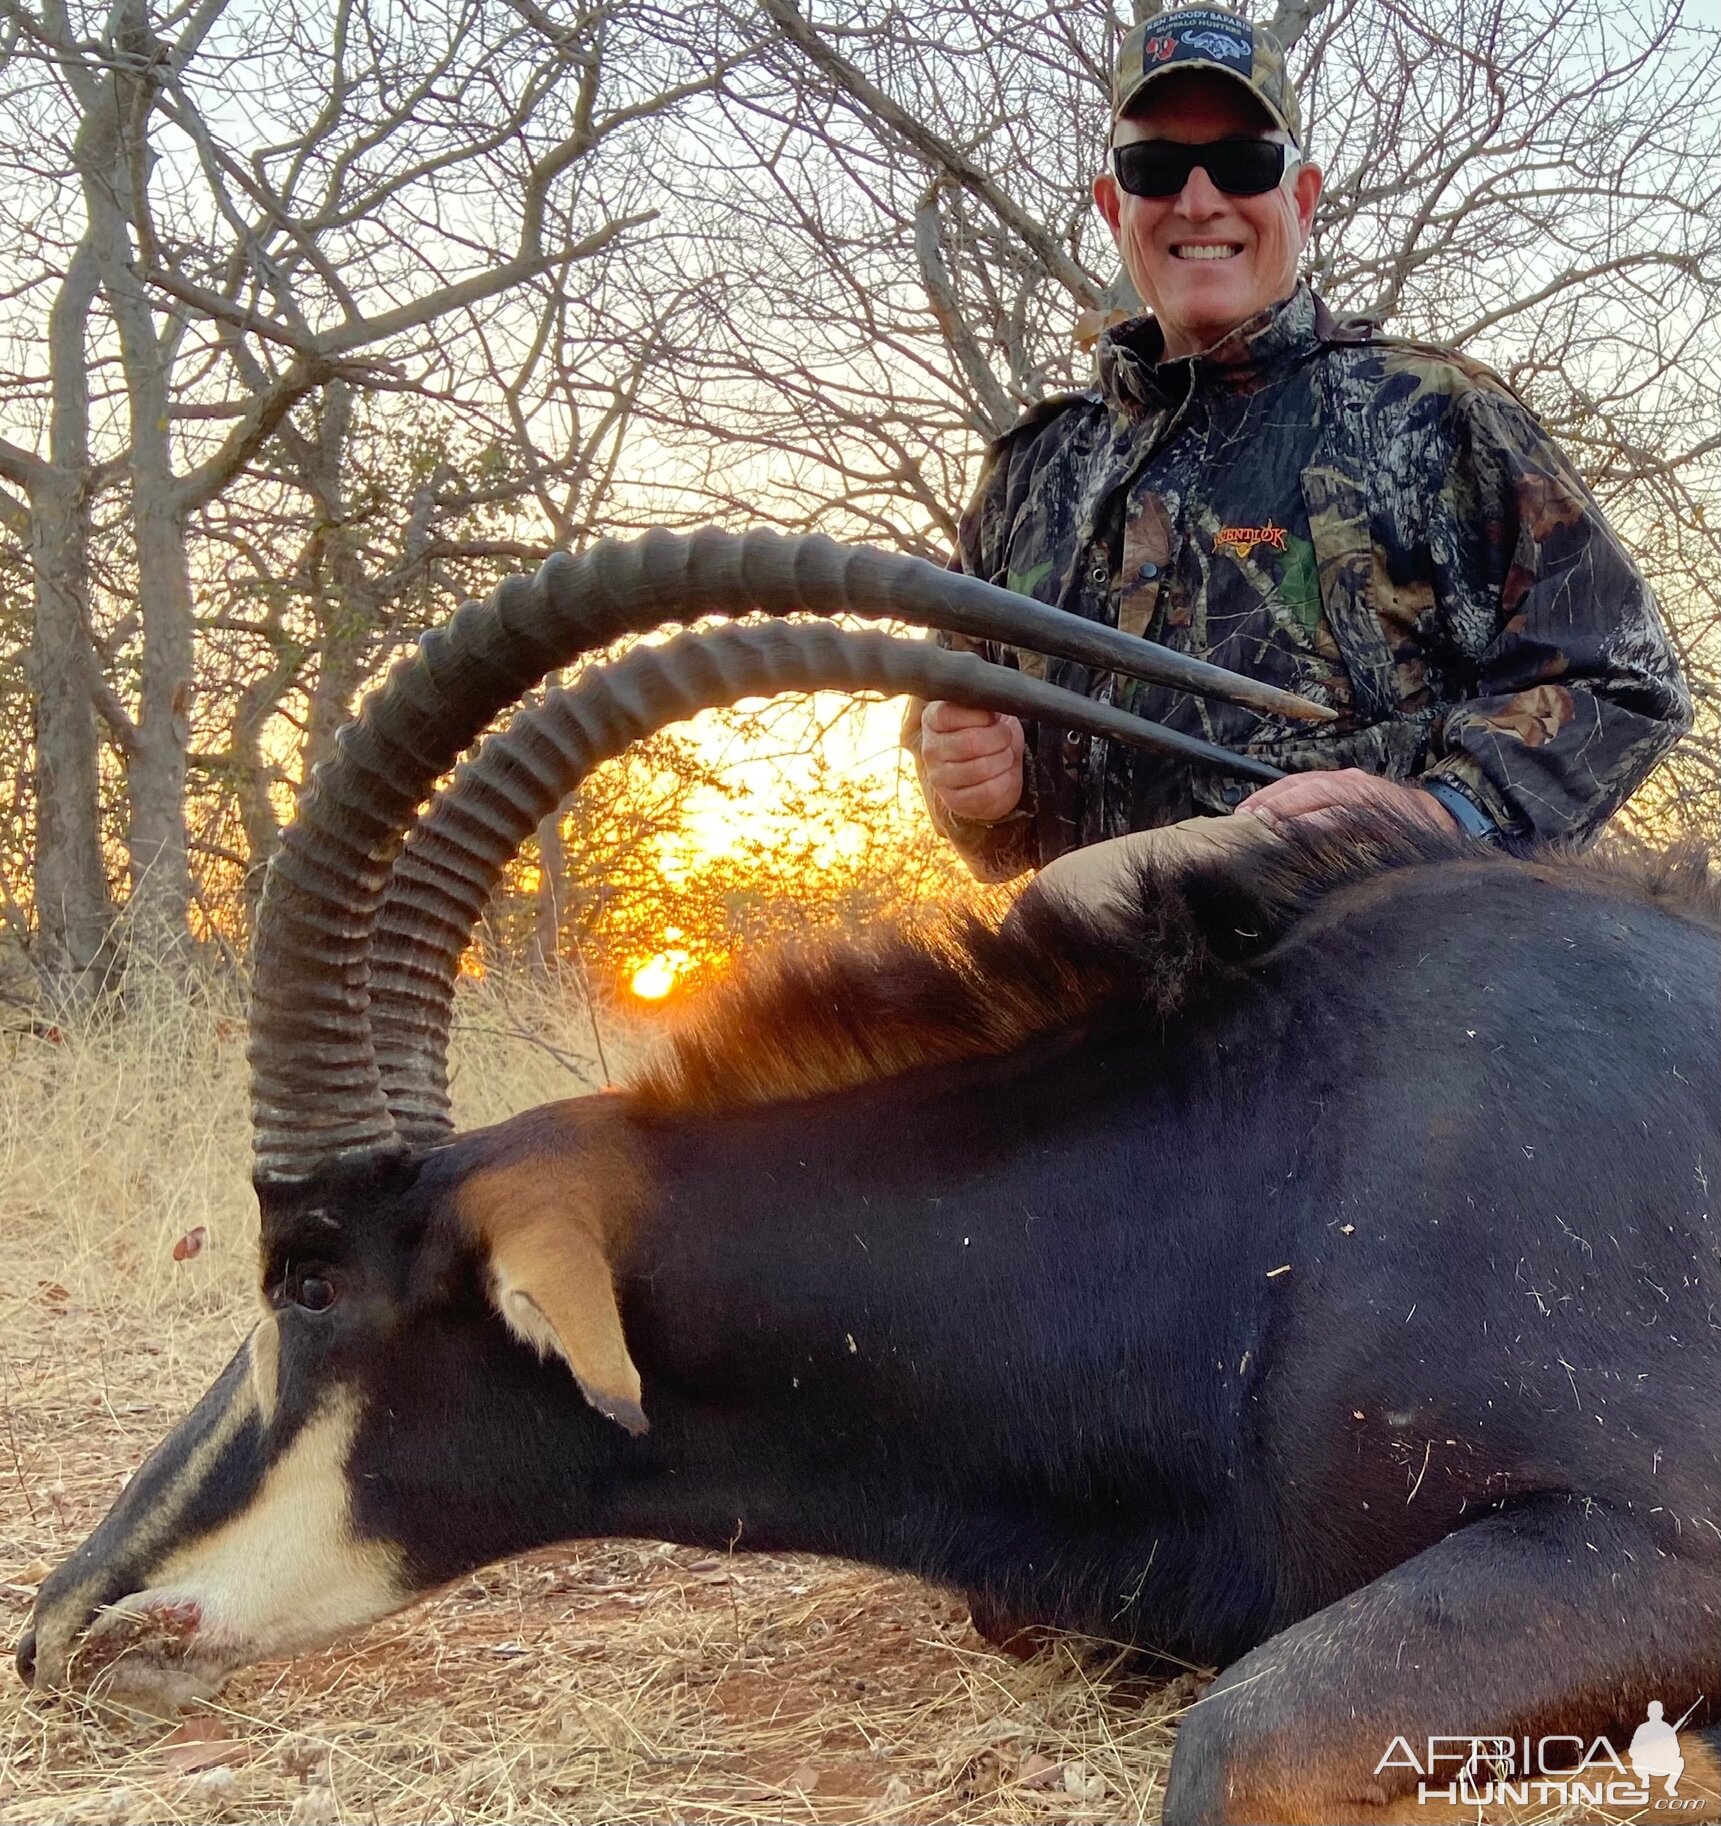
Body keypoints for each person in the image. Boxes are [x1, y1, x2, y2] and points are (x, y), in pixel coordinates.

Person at [906, 5, 1691, 891]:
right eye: (1155, 166)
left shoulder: (1433, 414)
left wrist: (1439, 813)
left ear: (1302, 196)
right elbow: (982, 789)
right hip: (1097, 1004)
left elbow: (1622, 682)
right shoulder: (1030, 474)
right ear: (1110, 202)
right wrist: (976, 795)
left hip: (1369, 1001)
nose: (1198, 201)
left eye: (1242, 162)